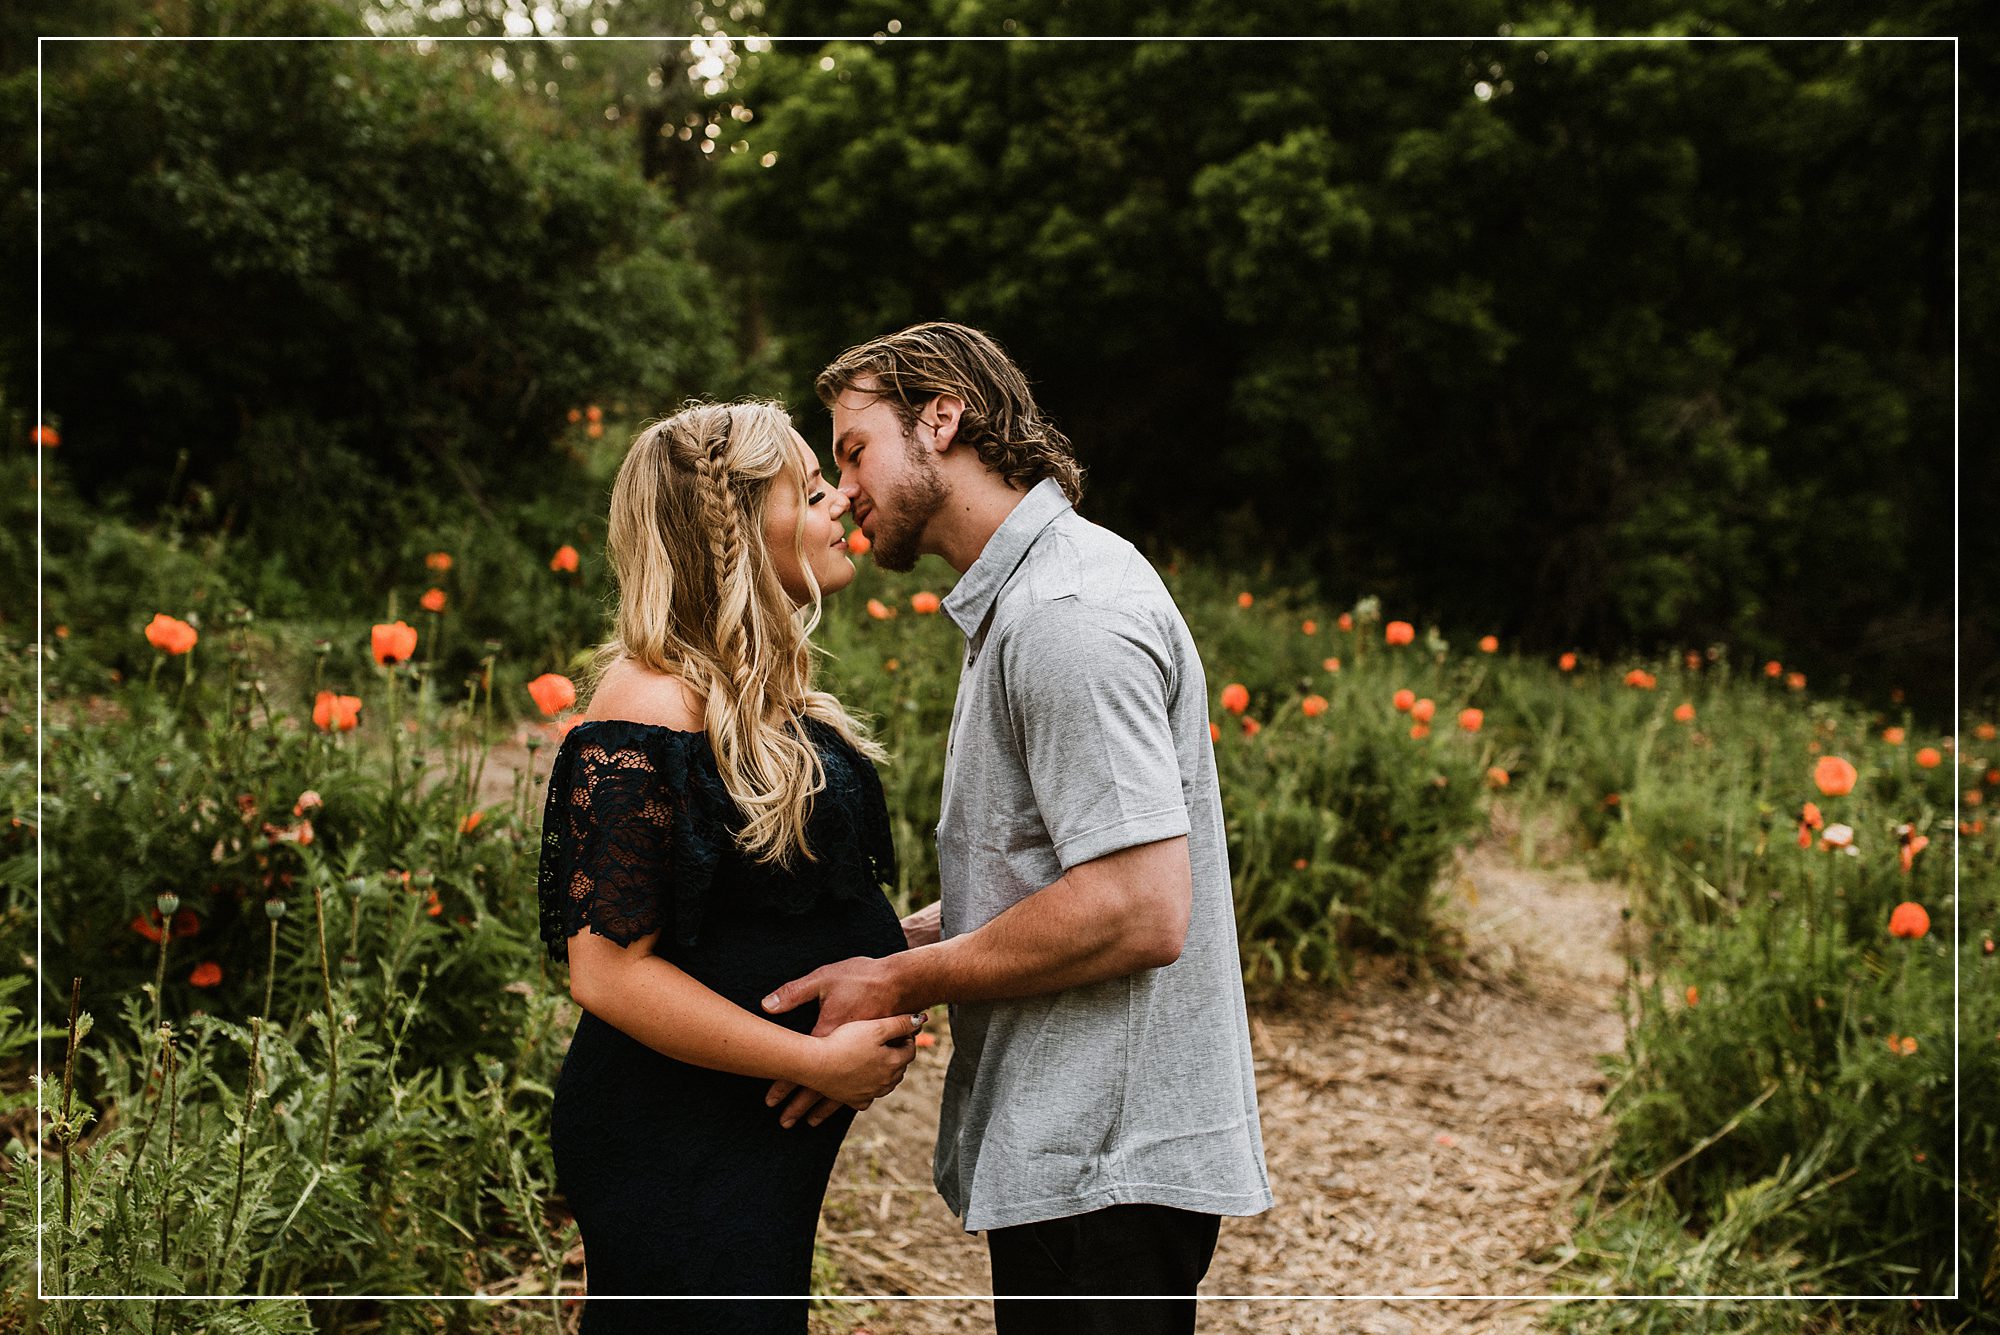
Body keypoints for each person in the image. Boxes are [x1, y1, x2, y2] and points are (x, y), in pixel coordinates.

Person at [760, 324, 1272, 1333]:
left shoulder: (1067, 615)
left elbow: (1135, 910)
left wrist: (901, 981)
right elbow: (1061, 870)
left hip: (1107, 1161)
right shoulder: (1027, 601)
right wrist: (890, 940)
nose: (845, 488)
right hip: (1082, 1152)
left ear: (941, 417)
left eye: (855, 449)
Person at [537, 399, 927, 1334]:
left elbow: (773, 913)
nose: (838, 498)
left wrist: (914, 957)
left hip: (747, 1141)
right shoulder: (650, 698)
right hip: (675, 1142)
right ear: (740, 524)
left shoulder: (759, 695)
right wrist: (814, 1060)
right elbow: (607, 969)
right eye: (809, 484)